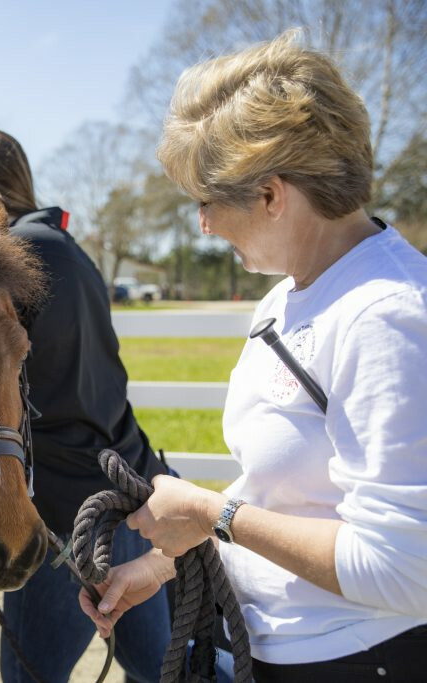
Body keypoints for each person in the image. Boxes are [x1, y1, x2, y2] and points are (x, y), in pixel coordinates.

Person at [80, 31, 427, 681]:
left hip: (353, 659)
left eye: (207, 202)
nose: (203, 224)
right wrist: (163, 561)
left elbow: (406, 568)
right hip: (268, 648)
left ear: (270, 194)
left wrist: (213, 512)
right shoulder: (284, 300)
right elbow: (284, 491)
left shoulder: (387, 316)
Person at [0, 127, 204, 683]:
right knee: (159, 669)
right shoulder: (70, 249)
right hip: (128, 487)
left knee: (28, 676)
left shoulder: (10, 256)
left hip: (62, 510)